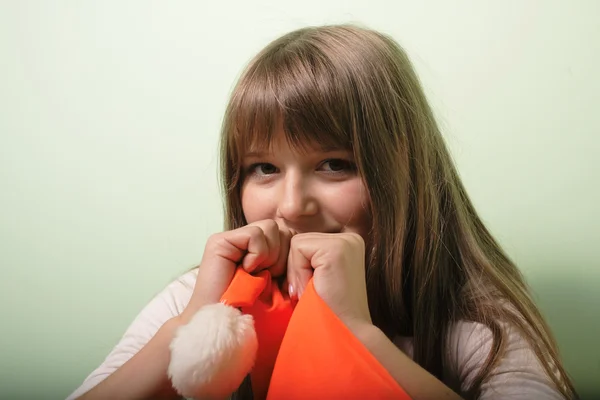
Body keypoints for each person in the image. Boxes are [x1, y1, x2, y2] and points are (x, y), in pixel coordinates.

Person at [68, 24, 578, 400]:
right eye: (264, 168)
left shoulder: (477, 323)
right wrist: (188, 328)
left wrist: (356, 335)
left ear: (405, 173)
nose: (291, 206)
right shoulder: (198, 297)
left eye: (335, 165)